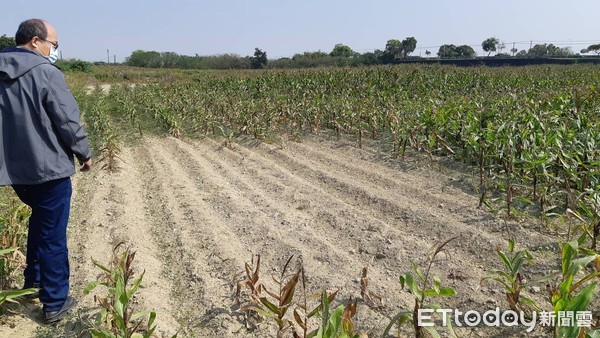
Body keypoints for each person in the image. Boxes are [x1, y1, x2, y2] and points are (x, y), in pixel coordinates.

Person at [0, 18, 92, 323]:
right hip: (48, 170)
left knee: (39, 221)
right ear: (35, 41)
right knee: (52, 234)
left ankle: (34, 282)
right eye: (53, 44)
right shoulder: (45, 72)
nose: (54, 50)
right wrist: (84, 153)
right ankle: (54, 302)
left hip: (13, 171)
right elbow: (67, 120)